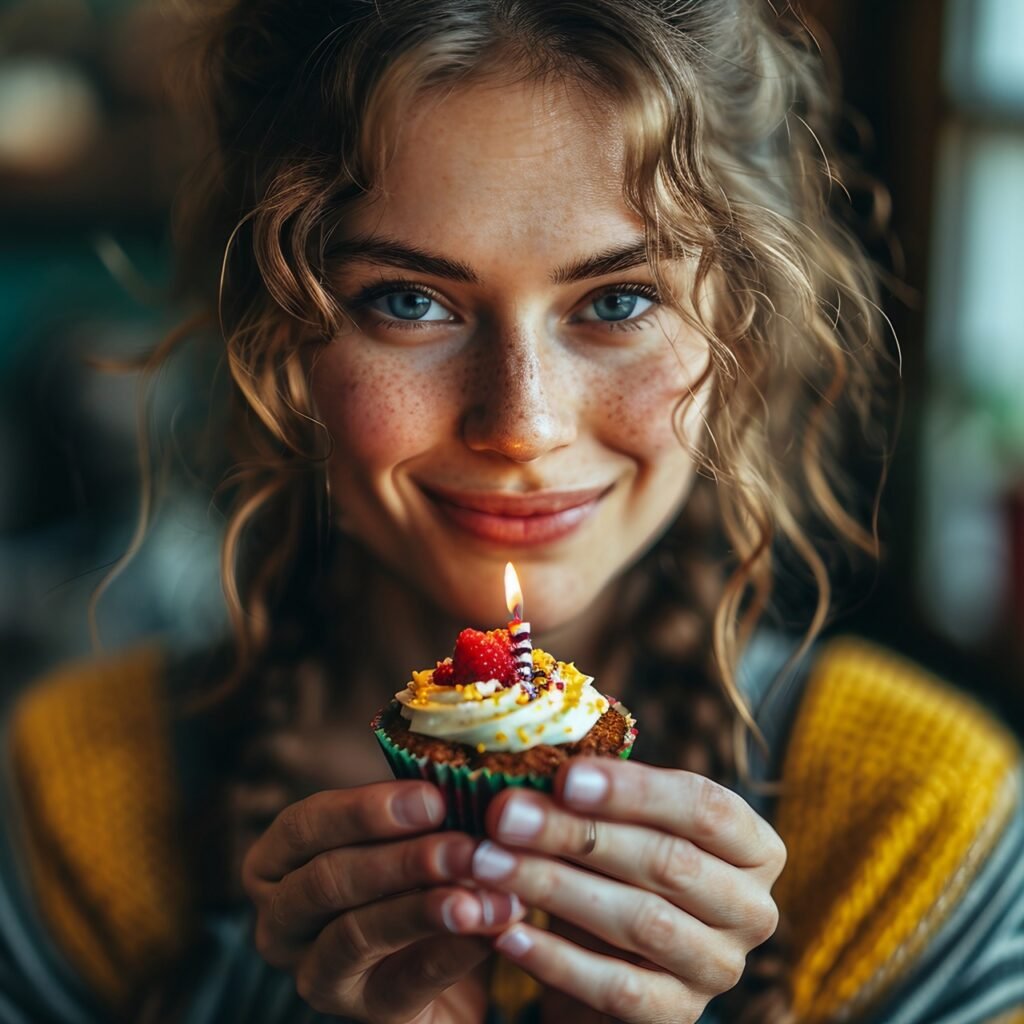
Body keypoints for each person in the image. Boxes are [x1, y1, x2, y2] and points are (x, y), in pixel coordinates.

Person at [2, 1, 1022, 1022]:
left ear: (741, 333)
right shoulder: (81, 799)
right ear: (278, 340)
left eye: (618, 300)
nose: (521, 426)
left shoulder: (920, 820)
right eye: (408, 299)